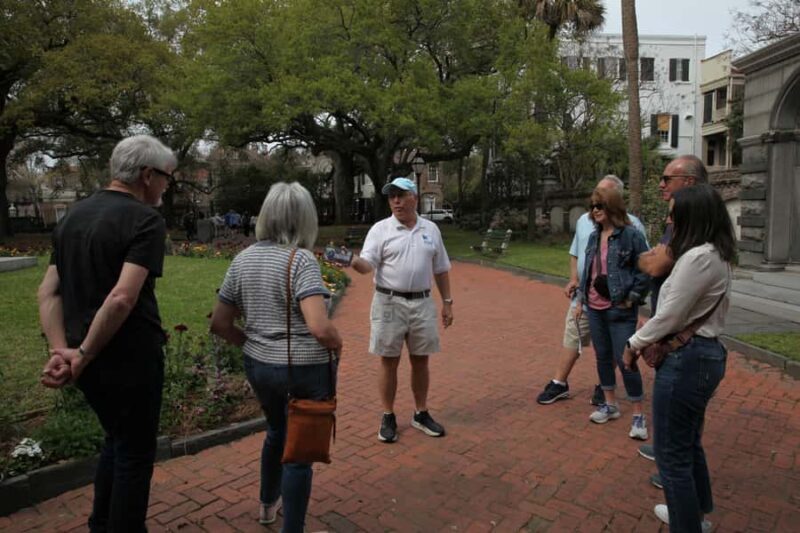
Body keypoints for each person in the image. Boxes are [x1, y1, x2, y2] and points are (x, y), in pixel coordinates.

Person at [38, 135, 175, 532]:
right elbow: (121, 298)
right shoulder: (145, 220)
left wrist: (62, 351)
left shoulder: (72, 217)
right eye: (167, 177)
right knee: (135, 454)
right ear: (147, 175)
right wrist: (82, 354)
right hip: (129, 360)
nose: (167, 186)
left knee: (117, 440)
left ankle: (101, 524)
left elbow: (48, 291)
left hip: (88, 363)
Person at [210, 182, 342, 533]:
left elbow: (220, 323)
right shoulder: (301, 260)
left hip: (260, 367)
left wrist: (254, 345)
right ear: (305, 219)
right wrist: (338, 343)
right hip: (304, 369)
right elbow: (319, 327)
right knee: (299, 453)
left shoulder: (242, 259)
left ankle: (267, 505)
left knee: (275, 431)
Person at [624, 184, 734, 532]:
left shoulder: (698, 257)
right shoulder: (713, 254)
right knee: (687, 445)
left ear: (693, 217)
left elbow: (669, 316)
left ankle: (687, 523)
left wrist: (633, 343)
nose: (670, 221)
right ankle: (694, 515)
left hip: (688, 360)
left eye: (674, 215)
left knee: (671, 456)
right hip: (701, 357)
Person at [349, 176, 453, 443]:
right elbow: (367, 265)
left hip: (422, 302)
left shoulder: (431, 229)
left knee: (421, 359)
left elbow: (441, 269)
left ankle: (421, 413)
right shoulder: (380, 230)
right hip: (389, 302)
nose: (395, 201)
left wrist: (448, 302)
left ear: (414, 198)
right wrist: (352, 260)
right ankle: (388, 415)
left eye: (401, 195)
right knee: (389, 360)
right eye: (391, 196)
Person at [537, 175, 648, 406]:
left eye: (601, 200)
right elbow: (576, 254)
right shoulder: (586, 223)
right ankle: (560, 383)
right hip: (587, 298)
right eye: (594, 201)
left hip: (616, 302)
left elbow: (644, 266)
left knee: (614, 349)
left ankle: (607, 391)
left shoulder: (633, 227)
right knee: (575, 335)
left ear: (615, 200)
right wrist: (575, 282)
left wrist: (632, 298)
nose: (595, 205)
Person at [637, 155, 709, 486]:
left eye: (668, 179)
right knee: (677, 414)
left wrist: (645, 258)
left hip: (682, 336)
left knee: (680, 411)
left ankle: (674, 473)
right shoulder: (679, 220)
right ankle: (669, 455)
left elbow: (655, 264)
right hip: (674, 328)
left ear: (689, 182)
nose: (661, 184)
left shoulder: (692, 224)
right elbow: (656, 256)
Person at [576, 186, 650, 438]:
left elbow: (645, 269)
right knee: (602, 357)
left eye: (600, 205)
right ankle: (610, 404)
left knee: (625, 359)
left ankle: (638, 415)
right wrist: (580, 300)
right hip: (594, 308)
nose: (595, 210)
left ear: (612, 206)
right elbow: (588, 272)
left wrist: (632, 299)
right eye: (592, 206)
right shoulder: (593, 237)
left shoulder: (631, 235)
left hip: (619, 309)